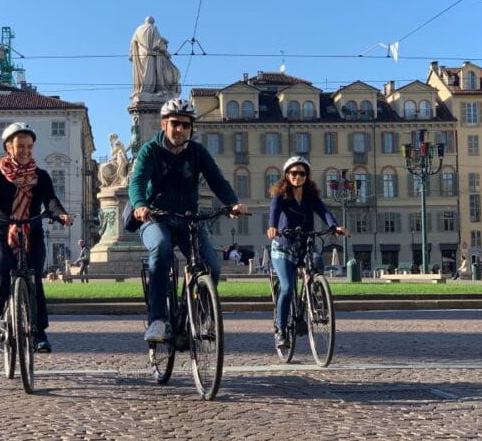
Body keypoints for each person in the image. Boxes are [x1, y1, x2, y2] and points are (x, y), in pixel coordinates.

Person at [129, 98, 247, 342]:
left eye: (185, 125)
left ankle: (201, 313)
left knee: (211, 265)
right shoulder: (150, 150)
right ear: (164, 125)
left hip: (187, 219)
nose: (180, 129)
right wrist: (140, 205)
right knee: (161, 249)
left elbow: (217, 180)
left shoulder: (197, 152)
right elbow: (137, 182)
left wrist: (232, 203)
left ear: (191, 128)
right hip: (155, 217)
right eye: (175, 124)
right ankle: (158, 320)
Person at [0, 122, 73, 353]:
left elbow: (51, 200)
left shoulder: (41, 176)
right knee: (4, 271)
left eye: (29, 146)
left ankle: (39, 334)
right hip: (0, 232)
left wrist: (61, 214)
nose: (25, 151)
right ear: (8, 148)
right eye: (20, 146)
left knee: (34, 279)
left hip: (31, 231)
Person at [266, 156, 346, 349]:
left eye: (302, 173)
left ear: (307, 176)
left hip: (305, 244)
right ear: (287, 175)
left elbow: (324, 211)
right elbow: (274, 211)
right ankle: (281, 331)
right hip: (283, 246)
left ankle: (315, 299)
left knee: (318, 263)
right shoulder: (281, 195)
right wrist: (273, 227)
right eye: (294, 173)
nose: (297, 177)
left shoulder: (311, 197)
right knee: (287, 287)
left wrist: (334, 226)